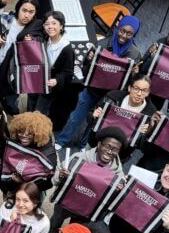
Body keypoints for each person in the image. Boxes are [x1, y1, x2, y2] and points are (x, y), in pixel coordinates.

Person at [56, 15, 142, 149]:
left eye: (129, 33)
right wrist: (89, 59)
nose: (124, 35)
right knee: (75, 118)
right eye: (122, 30)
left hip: (110, 96)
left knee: (97, 123)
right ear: (117, 28)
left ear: (134, 35)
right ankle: (61, 141)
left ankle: (84, 144)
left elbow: (130, 83)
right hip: (92, 89)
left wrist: (134, 74)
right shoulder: (102, 44)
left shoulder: (135, 54)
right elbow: (85, 70)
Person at [50, 127, 128, 231]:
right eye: (107, 146)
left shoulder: (118, 175)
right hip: (64, 205)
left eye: (115, 149)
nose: (109, 152)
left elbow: (114, 203)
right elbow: (54, 180)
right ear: (99, 144)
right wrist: (61, 176)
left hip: (86, 212)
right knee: (53, 225)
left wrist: (119, 192)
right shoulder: (78, 158)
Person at [0, 0, 43, 115]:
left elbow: (41, 43)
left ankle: (11, 110)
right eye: (24, 10)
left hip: (15, 71)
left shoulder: (35, 27)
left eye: (31, 12)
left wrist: (32, 41)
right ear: (18, 9)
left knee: (11, 98)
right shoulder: (6, 19)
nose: (27, 15)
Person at [85, 74, 156, 158]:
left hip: (120, 154)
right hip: (96, 144)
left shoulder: (150, 112)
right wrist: (94, 116)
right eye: (136, 89)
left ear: (148, 93)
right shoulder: (112, 97)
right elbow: (90, 119)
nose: (139, 93)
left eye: (144, 90)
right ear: (130, 88)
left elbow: (142, 146)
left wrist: (147, 133)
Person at [28, 10, 75, 115]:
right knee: (30, 105)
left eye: (54, 23)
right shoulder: (45, 39)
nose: (50, 27)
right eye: (47, 24)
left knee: (38, 113)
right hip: (36, 81)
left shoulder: (66, 48)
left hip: (48, 87)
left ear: (61, 26)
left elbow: (68, 73)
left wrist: (57, 80)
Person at [1, 111, 58, 196]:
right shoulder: (15, 144)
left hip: (33, 194)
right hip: (11, 189)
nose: (24, 135)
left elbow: (48, 182)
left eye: (29, 133)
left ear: (38, 134)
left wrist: (24, 182)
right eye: (21, 131)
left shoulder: (48, 153)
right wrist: (12, 181)